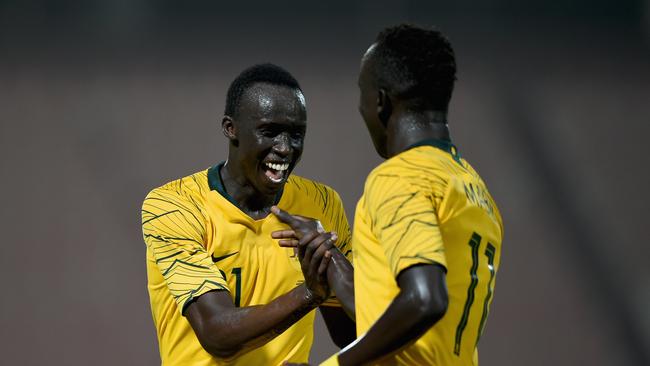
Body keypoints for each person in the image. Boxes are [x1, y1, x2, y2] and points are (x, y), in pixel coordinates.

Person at [275, 24, 503, 365]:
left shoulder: (400, 178)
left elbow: (425, 299)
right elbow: (390, 313)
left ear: (380, 101)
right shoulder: (472, 188)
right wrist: (329, 256)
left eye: (361, 93)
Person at [141, 63, 355, 366]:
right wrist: (309, 293)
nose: (285, 148)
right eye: (269, 132)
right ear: (231, 128)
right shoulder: (174, 206)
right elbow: (217, 335)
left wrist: (333, 261)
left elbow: (352, 332)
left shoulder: (322, 204)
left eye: (296, 134)